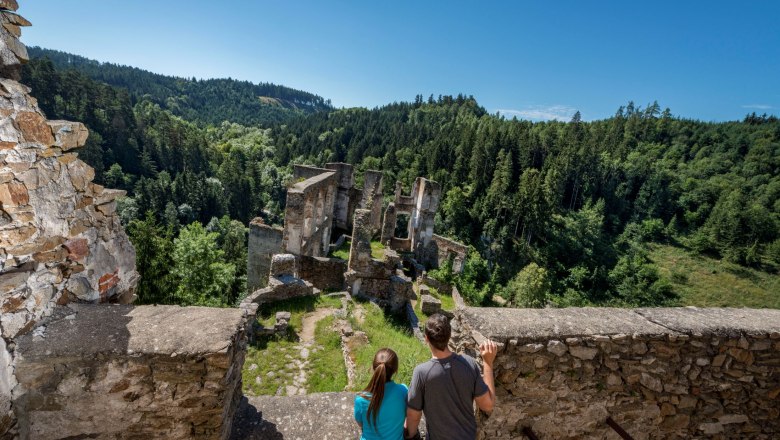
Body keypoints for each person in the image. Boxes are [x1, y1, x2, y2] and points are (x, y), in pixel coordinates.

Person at [405, 313, 497, 440]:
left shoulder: (421, 372)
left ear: (426, 338)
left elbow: (414, 415)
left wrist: (410, 436)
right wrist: (488, 363)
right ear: (449, 335)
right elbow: (488, 405)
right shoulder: (469, 363)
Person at [354, 348, 409, 440]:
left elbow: (360, 423)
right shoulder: (403, 391)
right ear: (395, 370)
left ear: (373, 368)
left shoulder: (361, 399)